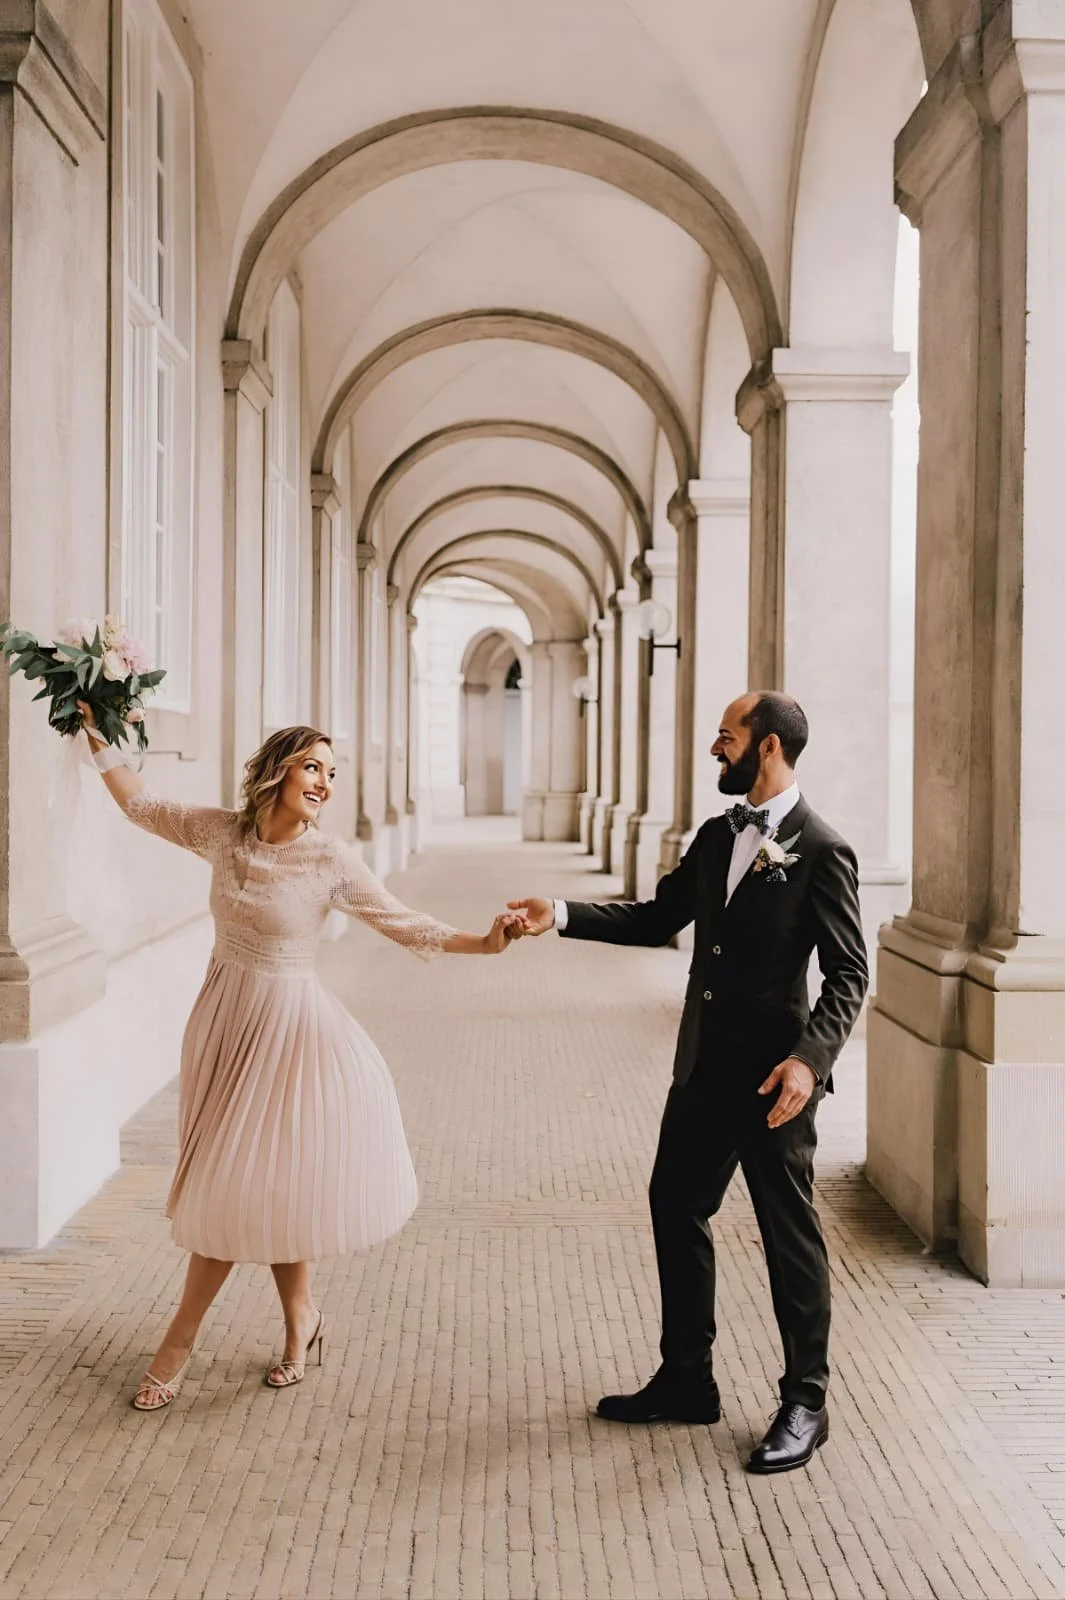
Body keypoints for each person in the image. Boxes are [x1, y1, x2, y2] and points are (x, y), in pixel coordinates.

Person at [76, 703, 523, 1411]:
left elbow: (402, 921)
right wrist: (95, 735)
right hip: (224, 1022)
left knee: (232, 1185)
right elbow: (141, 803)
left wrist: (487, 941)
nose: (323, 782)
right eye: (312, 767)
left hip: (290, 1034)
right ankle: (302, 1320)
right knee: (272, 1185)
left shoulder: (330, 860)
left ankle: (177, 1344)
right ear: (278, 769)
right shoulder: (223, 832)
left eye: (332, 773)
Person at [509, 691, 868, 1474]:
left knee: (787, 1237)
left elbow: (848, 973)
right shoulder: (716, 836)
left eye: (726, 737)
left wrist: (809, 1060)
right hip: (702, 1068)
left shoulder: (822, 850)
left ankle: (806, 1400)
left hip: (775, 1083)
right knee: (675, 1205)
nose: (715, 748)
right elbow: (655, 917)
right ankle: (686, 1381)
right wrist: (560, 914)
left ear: (765, 747)